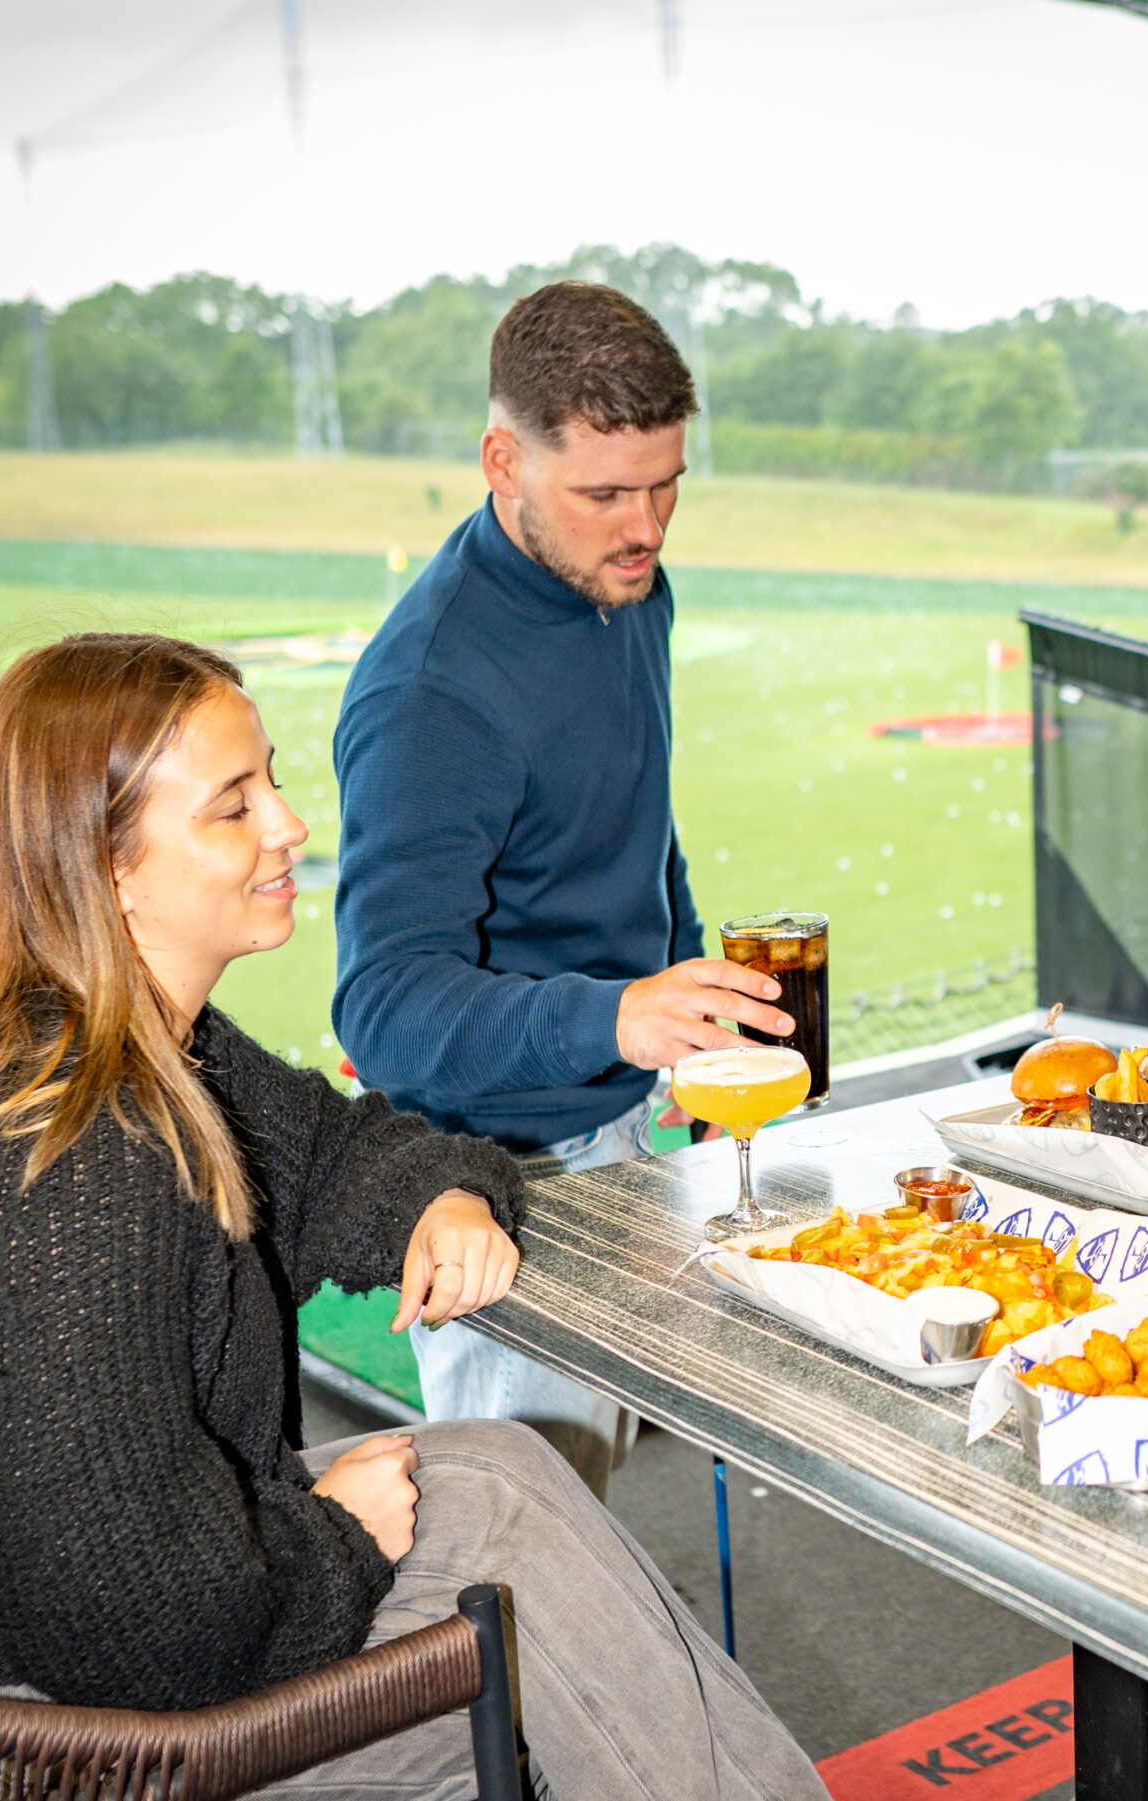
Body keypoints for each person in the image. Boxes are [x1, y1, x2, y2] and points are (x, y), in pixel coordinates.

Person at [0, 634, 823, 1801]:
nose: (290, 826)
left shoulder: (148, 1053)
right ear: (107, 867)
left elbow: (335, 1150)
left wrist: (440, 1198)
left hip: (125, 1643)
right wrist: (334, 1538)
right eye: (234, 806)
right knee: (560, 1639)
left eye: (272, 782)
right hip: (44, 1743)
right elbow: (135, 1625)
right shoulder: (76, 1168)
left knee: (502, 1482)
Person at [334, 281, 793, 1497]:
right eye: (604, 494)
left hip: (629, 1116)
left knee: (606, 1491)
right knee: (518, 1544)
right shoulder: (430, 690)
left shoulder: (626, 586)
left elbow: (637, 821)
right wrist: (618, 1015)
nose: (646, 527)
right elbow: (384, 1006)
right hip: (499, 1177)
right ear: (504, 461)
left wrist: (687, 1014)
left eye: (666, 485)